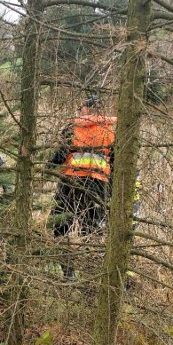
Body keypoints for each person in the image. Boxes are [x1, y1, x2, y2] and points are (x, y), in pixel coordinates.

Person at [48, 97, 116, 279]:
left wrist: (47, 167)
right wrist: (110, 190)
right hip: (98, 185)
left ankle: (68, 273)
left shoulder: (72, 128)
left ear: (87, 109)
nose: (79, 111)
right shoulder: (111, 131)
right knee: (92, 230)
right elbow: (115, 162)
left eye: (81, 108)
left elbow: (60, 154)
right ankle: (92, 275)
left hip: (71, 182)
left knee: (60, 225)